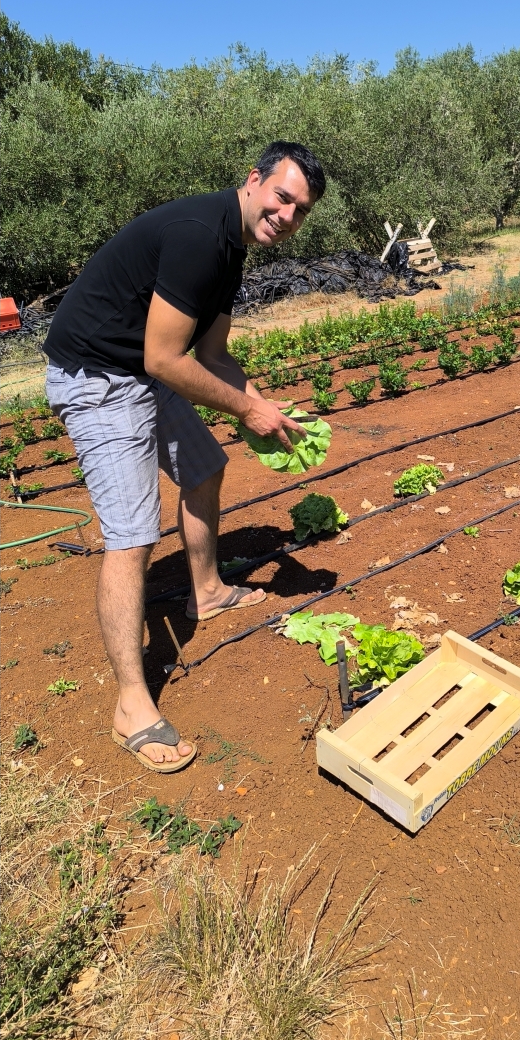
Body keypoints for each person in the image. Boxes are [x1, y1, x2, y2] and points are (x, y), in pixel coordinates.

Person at [43, 142, 325, 772]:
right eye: (283, 197)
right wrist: (246, 412)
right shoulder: (201, 235)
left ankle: (206, 590)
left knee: (205, 467)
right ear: (253, 181)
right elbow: (164, 359)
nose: (287, 215)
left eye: (300, 210)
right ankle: (131, 706)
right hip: (98, 377)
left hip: (140, 368)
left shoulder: (233, 249)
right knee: (131, 535)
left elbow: (213, 356)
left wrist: (263, 403)